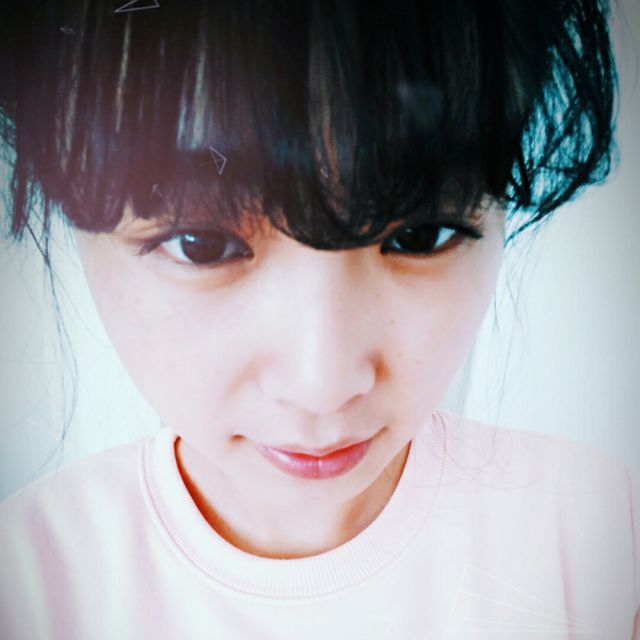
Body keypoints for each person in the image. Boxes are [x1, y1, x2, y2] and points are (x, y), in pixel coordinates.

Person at [0, 0, 637, 638]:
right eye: (202, 244)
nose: (323, 387)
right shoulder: (26, 589)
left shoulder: (598, 540)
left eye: (419, 235)